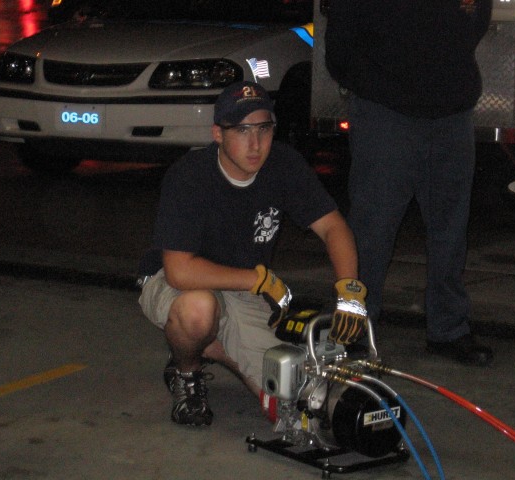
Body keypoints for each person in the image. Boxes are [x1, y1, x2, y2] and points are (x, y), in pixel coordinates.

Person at [138, 81, 368, 426]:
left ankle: (211, 345)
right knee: (199, 311)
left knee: (293, 396)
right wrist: (259, 279)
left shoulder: (284, 165)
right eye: (242, 130)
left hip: (244, 288)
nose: (255, 143)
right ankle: (187, 372)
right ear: (218, 133)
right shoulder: (190, 175)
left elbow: (333, 227)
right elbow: (179, 271)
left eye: (264, 129)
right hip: (178, 283)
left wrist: (349, 290)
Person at [325, 0, 494, 366]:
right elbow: (339, 46)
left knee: (450, 229)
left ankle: (449, 328)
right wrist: (382, 86)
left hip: (452, 113)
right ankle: (356, 327)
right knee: (372, 230)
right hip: (386, 114)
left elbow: (477, 19)